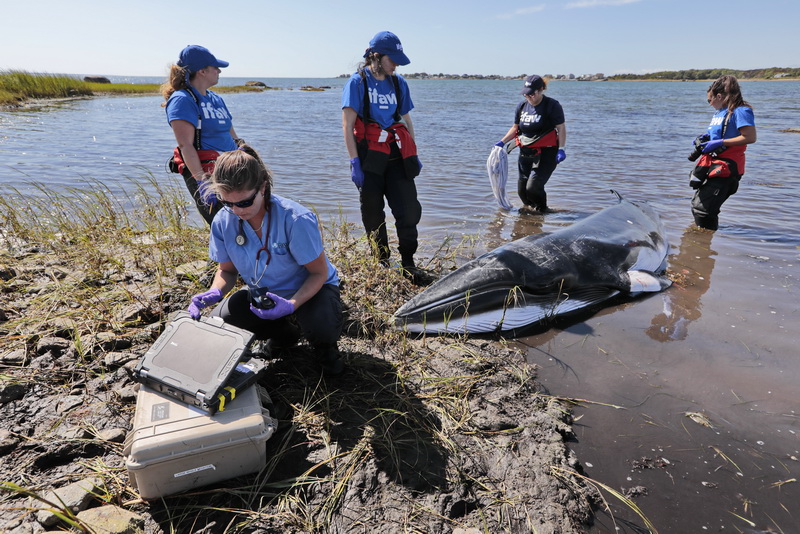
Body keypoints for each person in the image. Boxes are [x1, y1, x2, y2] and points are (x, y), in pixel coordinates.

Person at [186, 145, 345, 375]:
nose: (237, 210)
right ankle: (285, 335)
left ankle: (325, 350)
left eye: (244, 203)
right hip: (266, 294)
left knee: (322, 324)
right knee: (221, 321)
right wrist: (215, 292)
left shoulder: (295, 219)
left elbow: (318, 274)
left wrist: (291, 305)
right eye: (227, 203)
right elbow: (227, 271)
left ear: (262, 187)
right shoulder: (223, 221)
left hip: (312, 289)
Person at [341, 31, 423, 282]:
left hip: (397, 156)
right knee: (373, 215)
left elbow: (406, 120)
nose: (396, 64)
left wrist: (414, 153)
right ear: (376, 57)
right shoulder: (357, 83)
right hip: (369, 158)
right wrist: (355, 163)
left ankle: (409, 264)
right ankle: (383, 263)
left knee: (408, 212)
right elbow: (347, 125)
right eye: (393, 59)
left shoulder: (399, 83)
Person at [162, 45, 242, 225]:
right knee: (224, 225)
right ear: (202, 71)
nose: (219, 70)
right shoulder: (182, 100)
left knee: (246, 221)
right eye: (215, 67)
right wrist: (203, 183)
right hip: (206, 172)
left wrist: (246, 158)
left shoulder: (216, 98)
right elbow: (185, 146)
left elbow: (233, 135)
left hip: (231, 169)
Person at [690, 75, 756, 230]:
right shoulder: (719, 112)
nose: (709, 104)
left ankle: (704, 245)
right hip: (713, 165)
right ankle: (703, 240)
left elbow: (750, 137)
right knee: (698, 204)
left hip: (729, 167)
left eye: (709, 100)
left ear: (719, 96)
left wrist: (720, 142)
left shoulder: (741, 111)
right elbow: (721, 132)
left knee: (704, 210)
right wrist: (707, 138)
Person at [496, 75, 566, 213]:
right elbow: (515, 128)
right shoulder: (522, 106)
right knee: (522, 191)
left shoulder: (552, 105)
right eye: (526, 93)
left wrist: (562, 149)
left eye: (532, 93)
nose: (529, 96)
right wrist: (502, 142)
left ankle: (543, 211)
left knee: (533, 187)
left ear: (541, 90)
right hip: (526, 152)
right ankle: (529, 218)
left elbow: (561, 128)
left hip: (547, 152)